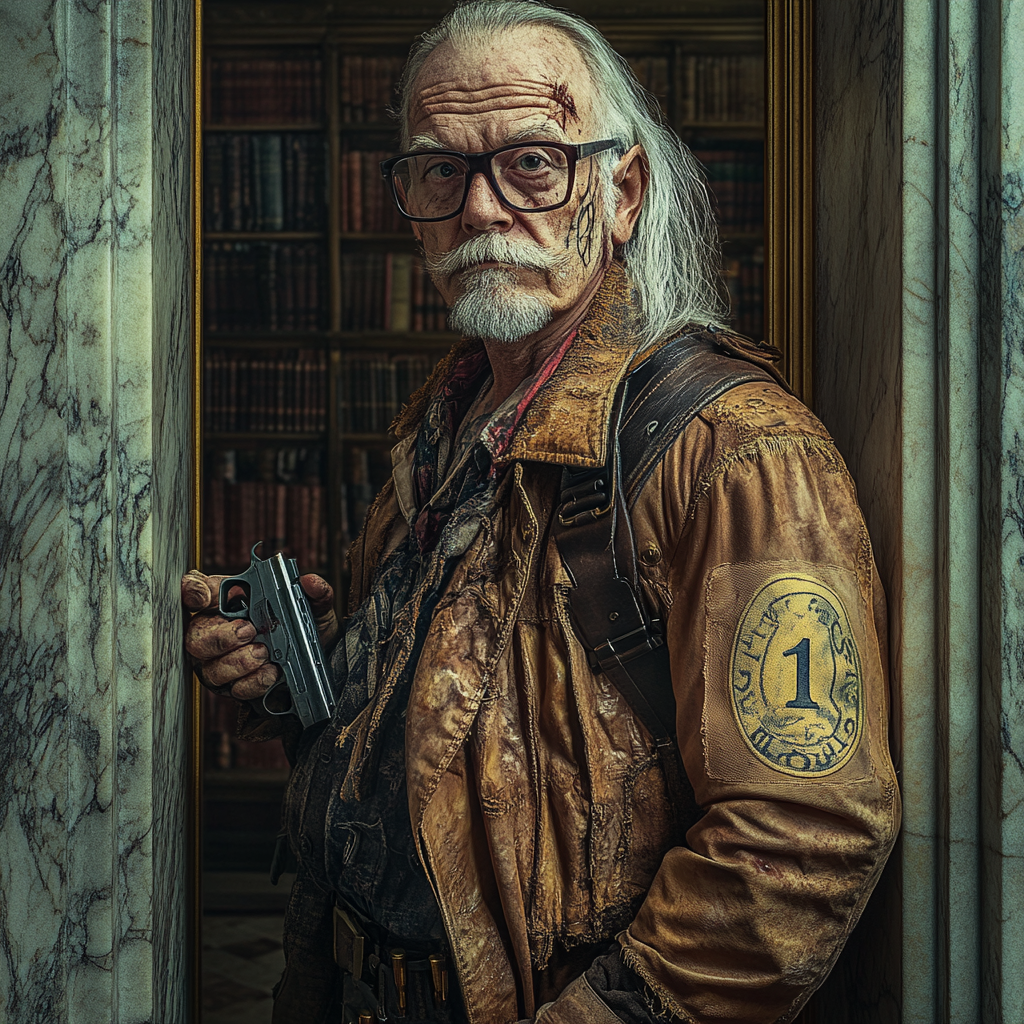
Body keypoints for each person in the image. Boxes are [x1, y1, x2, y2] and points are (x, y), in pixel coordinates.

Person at [183, 3, 900, 1022]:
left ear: (621, 192)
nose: (477, 209)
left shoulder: (734, 453)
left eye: (530, 162)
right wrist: (287, 683)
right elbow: (460, 733)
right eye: (438, 171)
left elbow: (803, 837)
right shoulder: (444, 415)